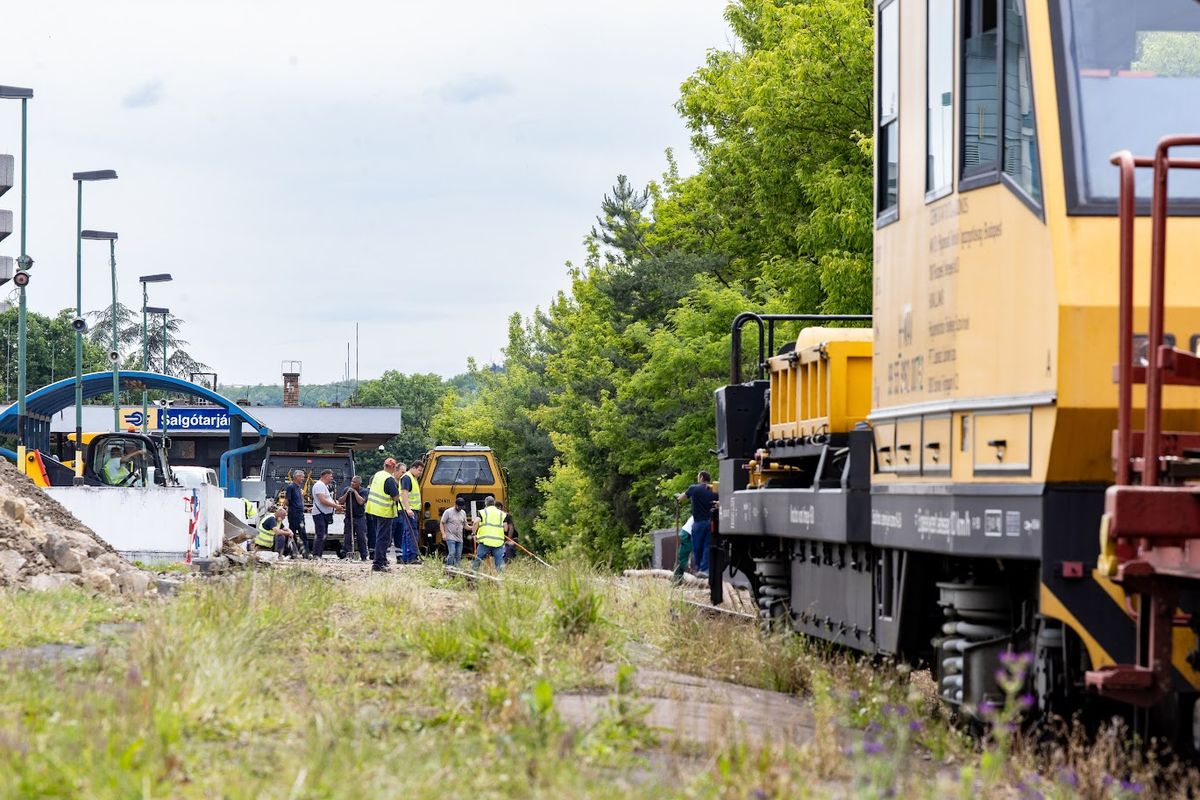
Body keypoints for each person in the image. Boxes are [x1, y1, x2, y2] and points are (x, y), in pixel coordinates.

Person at [677, 471, 718, 577]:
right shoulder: (714, 490)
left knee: (697, 546)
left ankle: (699, 568)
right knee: (707, 546)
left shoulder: (694, 488)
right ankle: (704, 570)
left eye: (698, 477)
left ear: (701, 477)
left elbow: (682, 498)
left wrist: (678, 497)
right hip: (710, 522)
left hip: (698, 523)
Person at [366, 458, 400, 572]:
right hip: (384, 512)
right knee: (383, 538)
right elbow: (395, 497)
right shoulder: (389, 479)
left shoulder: (378, 474)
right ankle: (378, 563)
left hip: (373, 510)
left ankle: (382, 560)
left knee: (379, 537)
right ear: (392, 467)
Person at [311, 469, 344, 558]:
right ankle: (316, 554)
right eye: (331, 476)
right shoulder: (319, 485)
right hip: (319, 514)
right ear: (326, 476)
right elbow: (322, 500)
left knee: (323, 535)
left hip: (324, 514)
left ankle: (319, 554)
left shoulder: (323, 486)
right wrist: (335, 506)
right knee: (320, 534)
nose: (331, 478)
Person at [397, 460, 425, 564]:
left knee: (407, 533)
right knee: (412, 533)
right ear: (413, 468)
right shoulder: (407, 478)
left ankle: (406, 557)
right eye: (419, 470)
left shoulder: (412, 478)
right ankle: (412, 557)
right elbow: (404, 493)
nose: (420, 473)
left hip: (410, 509)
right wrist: (408, 508)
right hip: (410, 510)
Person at [471, 495, 506, 573]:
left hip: (485, 541)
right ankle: (502, 578)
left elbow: (475, 522)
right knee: (499, 562)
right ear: (494, 503)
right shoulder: (501, 513)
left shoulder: (483, 512)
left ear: (485, 504)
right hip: (498, 542)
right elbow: (506, 528)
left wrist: (474, 534)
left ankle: (472, 575)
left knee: (478, 559)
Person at [339, 475, 369, 561]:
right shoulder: (346, 490)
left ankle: (363, 555)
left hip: (359, 518)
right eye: (352, 481)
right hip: (349, 517)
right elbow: (340, 501)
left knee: (361, 537)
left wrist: (355, 492)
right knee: (347, 536)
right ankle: (347, 554)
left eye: (354, 482)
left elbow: (361, 502)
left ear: (359, 483)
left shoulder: (364, 491)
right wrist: (347, 494)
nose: (352, 483)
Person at [439, 497, 474, 567]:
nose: (460, 508)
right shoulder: (448, 512)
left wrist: (473, 528)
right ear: (456, 505)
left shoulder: (463, 513)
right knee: (452, 552)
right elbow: (442, 523)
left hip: (459, 538)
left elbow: (465, 525)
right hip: (450, 536)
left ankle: (457, 570)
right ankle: (448, 567)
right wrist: (443, 534)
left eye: (462, 507)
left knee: (458, 555)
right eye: (459, 506)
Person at [285, 470, 311, 558]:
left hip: (300, 514)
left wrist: (304, 508)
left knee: (302, 533)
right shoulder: (291, 487)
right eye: (302, 477)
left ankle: (306, 553)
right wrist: (294, 508)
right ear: (297, 477)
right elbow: (287, 501)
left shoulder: (298, 487)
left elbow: (298, 500)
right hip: (294, 514)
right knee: (292, 533)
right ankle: (291, 552)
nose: (303, 479)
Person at [671, 516, 694, 584]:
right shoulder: (704, 513)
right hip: (688, 534)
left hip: (685, 533)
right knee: (683, 559)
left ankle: (677, 580)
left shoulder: (700, 511)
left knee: (681, 557)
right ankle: (677, 580)